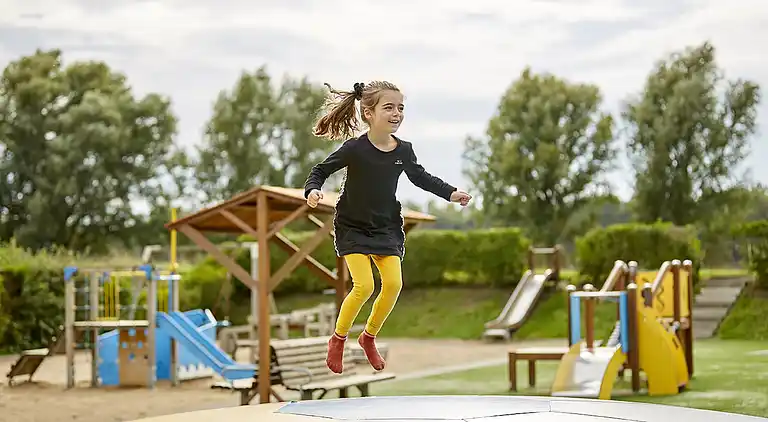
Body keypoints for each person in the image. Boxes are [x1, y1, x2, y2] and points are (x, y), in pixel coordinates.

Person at [304, 80, 472, 374]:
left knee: (393, 285)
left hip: (385, 227)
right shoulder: (355, 149)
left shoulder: (403, 150)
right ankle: (338, 339)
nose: (396, 113)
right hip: (353, 226)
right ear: (368, 113)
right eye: (389, 107)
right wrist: (313, 190)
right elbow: (320, 170)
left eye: (400, 108)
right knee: (364, 286)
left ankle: (368, 337)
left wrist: (451, 192)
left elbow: (421, 178)